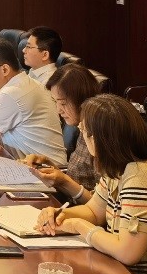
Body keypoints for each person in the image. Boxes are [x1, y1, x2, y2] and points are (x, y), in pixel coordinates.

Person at [37, 94, 147, 274]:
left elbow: (127, 252)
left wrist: (78, 225)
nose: (82, 134)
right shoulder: (116, 170)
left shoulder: (141, 176)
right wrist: (60, 214)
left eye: (84, 130)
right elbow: (94, 212)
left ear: (98, 138)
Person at [0, 36, 66, 162]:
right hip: (41, 164)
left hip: (44, 169)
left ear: (4, 69)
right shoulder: (26, 82)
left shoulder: (11, 93)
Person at [20, 63, 100, 201]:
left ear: (83, 100)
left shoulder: (101, 134)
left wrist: (64, 181)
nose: (58, 110)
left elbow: (102, 206)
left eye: (63, 103)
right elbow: (78, 175)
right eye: (55, 102)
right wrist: (46, 165)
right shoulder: (83, 125)